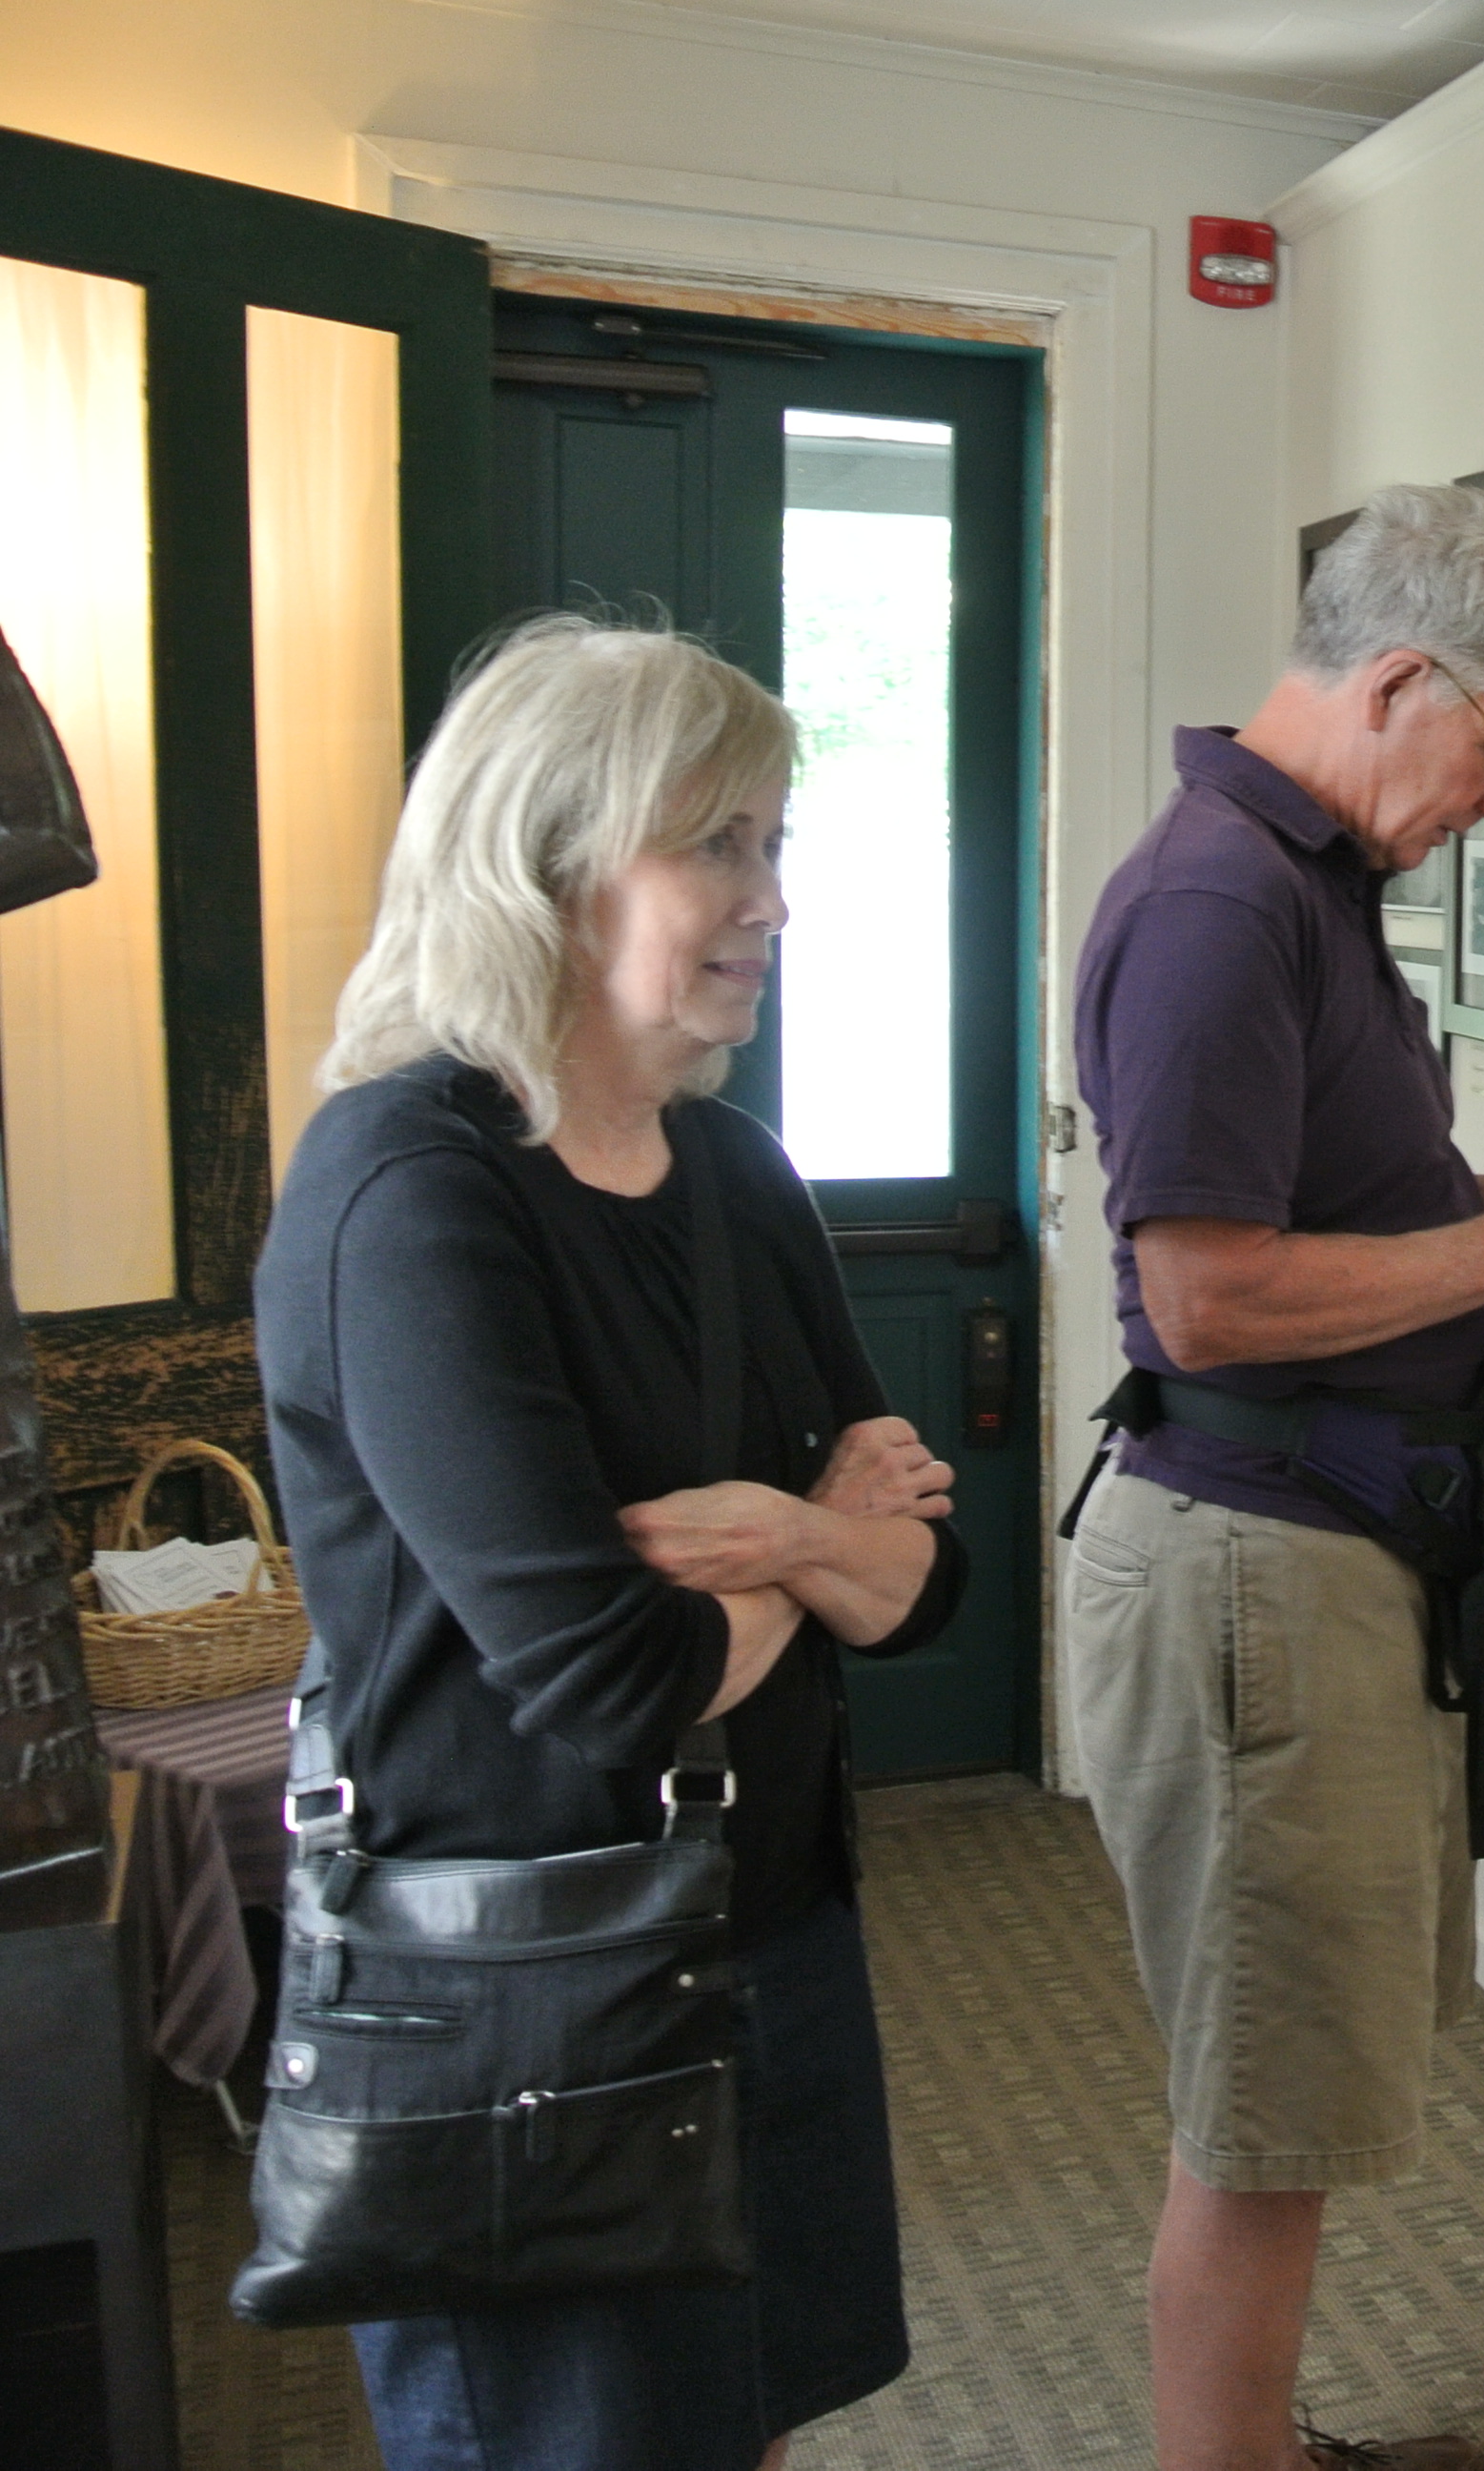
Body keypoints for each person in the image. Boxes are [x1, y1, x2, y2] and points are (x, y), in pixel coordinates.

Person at [257, 615, 967, 2471]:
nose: (776, 901)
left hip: (771, 1928)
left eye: (777, 841)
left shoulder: (735, 1173)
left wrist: (784, 1544)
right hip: (524, 1980)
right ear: (551, 865)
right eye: (721, 845)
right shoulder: (407, 1190)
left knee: (743, 2424)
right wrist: (826, 1546)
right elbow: (612, 1683)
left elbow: (927, 1592)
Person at [1063, 482, 1484, 2471]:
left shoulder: (1295, 888)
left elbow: (1317, 1208)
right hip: (1257, 1565)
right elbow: (1210, 1297)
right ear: (1404, 679)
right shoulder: (1222, 903)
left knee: (1292, 2094)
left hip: (1320, 1562)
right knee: (1261, 2122)